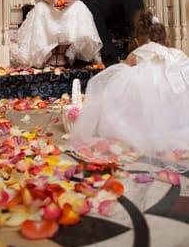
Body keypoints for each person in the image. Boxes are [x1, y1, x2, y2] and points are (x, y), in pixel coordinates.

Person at [68, 10, 189, 162]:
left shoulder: (138, 53)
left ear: (138, 40)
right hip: (171, 96)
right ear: (163, 39)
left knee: (123, 80)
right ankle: (176, 124)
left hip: (149, 98)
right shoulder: (174, 54)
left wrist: (123, 64)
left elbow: (124, 68)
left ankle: (138, 126)